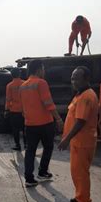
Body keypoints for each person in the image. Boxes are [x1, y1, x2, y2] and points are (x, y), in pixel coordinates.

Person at [58, 66, 99, 202]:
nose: (73, 81)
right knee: (77, 172)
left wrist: (66, 139)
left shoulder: (86, 97)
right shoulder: (80, 95)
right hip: (79, 142)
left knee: (80, 173)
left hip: (82, 142)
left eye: (77, 78)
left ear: (86, 79)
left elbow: (80, 121)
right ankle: (80, 196)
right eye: (72, 78)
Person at [20, 59, 63, 187]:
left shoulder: (23, 86)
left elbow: (23, 108)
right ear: (39, 69)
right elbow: (48, 103)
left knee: (30, 151)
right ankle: (42, 172)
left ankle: (29, 178)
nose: (44, 71)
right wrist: (59, 119)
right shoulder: (41, 83)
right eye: (43, 69)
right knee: (48, 147)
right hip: (45, 124)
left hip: (29, 124)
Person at [5, 68, 26, 150]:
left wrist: (6, 110)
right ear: (19, 74)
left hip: (14, 110)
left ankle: (17, 145)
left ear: (11, 75)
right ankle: (26, 145)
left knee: (15, 129)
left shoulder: (9, 85)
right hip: (24, 110)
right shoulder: (25, 84)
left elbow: (8, 99)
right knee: (25, 129)